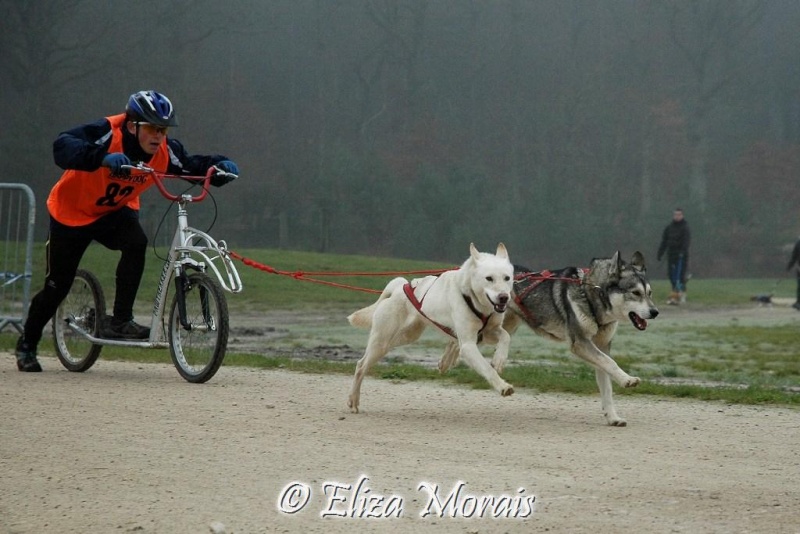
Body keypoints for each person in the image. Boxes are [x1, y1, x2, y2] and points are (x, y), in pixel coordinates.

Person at [14, 90, 239, 372]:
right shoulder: (108, 131)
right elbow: (62, 146)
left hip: (112, 212)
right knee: (57, 286)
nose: (158, 136)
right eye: (152, 129)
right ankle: (27, 344)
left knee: (136, 242)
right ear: (133, 125)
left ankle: (121, 320)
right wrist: (101, 157)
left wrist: (218, 168)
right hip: (71, 213)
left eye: (163, 130)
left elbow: (191, 164)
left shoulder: (164, 151)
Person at [657, 207, 691, 305]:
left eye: (679, 215)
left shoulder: (685, 227)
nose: (677, 216)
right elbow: (664, 241)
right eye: (675, 214)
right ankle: (676, 294)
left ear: (682, 215)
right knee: (671, 275)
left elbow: (686, 241)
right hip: (671, 254)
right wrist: (660, 252)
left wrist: (682, 252)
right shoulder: (669, 227)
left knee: (679, 276)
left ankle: (679, 295)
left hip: (681, 255)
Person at [786, 237, 800, 310]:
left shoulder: (798, 243)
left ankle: (798, 302)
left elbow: (794, 256)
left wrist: (789, 266)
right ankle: (798, 302)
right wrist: (790, 266)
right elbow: (794, 256)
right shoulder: (798, 243)